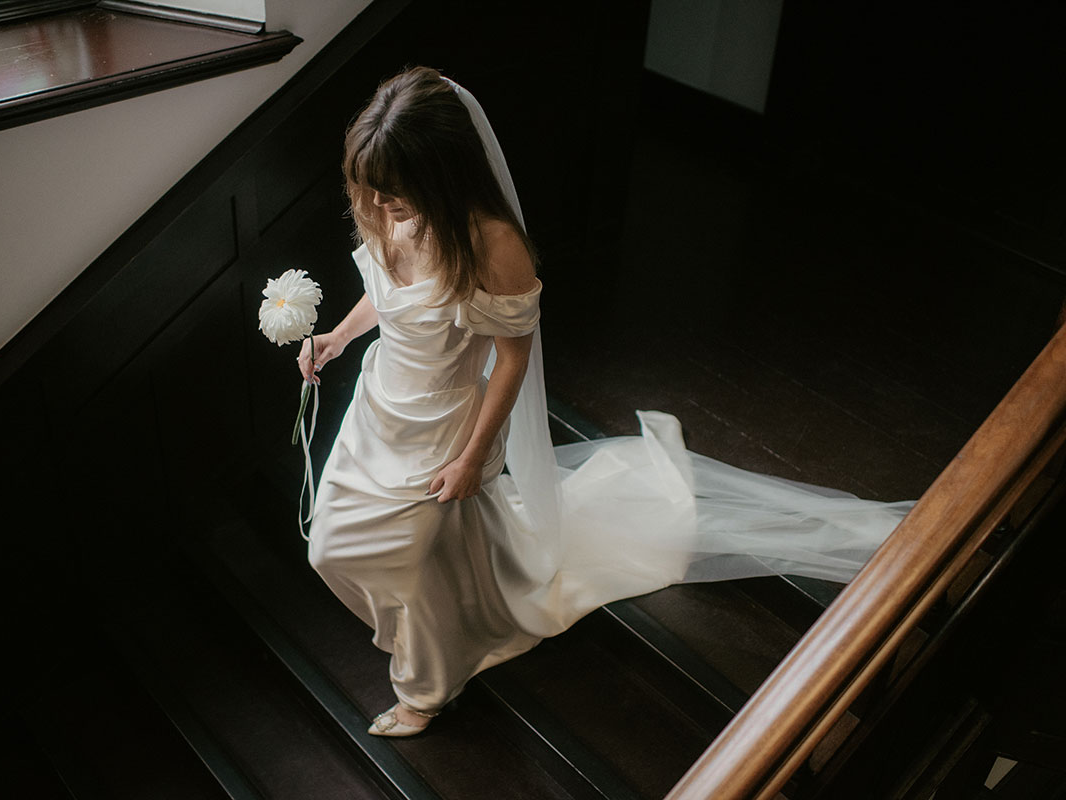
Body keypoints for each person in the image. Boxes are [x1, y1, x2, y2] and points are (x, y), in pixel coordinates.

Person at [297, 66, 912, 737]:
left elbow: (511, 360)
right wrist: (338, 335)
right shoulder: (385, 210)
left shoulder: (493, 246)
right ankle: (450, 621)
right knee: (333, 550)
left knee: (398, 557)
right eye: (375, 195)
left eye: (398, 197)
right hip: (381, 406)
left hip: (448, 423)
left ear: (443, 178)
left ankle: (426, 685)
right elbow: (385, 292)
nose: (383, 210)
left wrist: (475, 457)